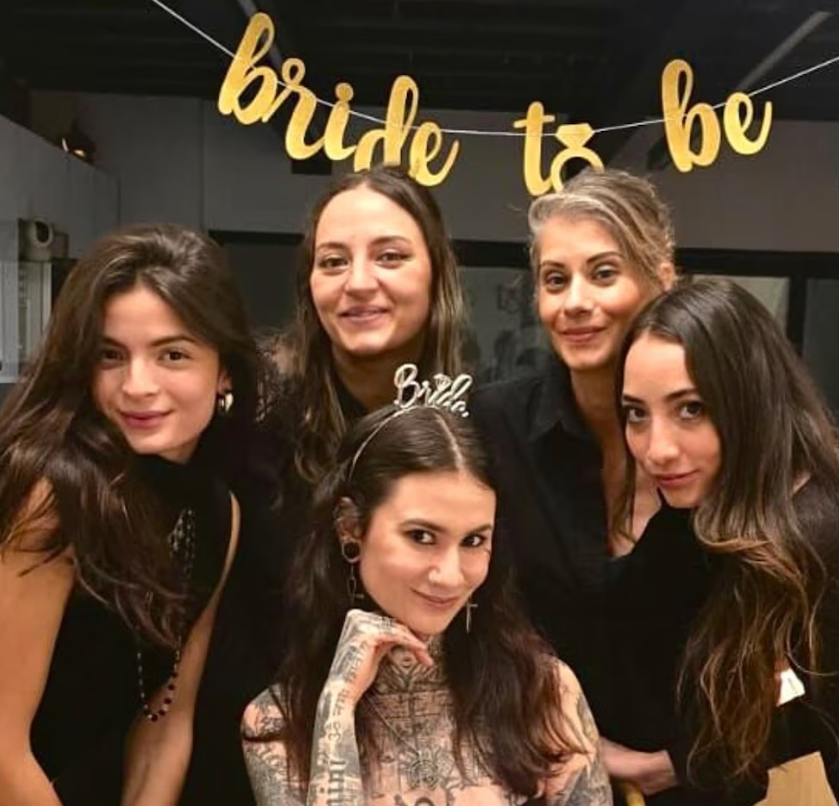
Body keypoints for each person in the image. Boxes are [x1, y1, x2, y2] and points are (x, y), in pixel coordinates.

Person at [184, 164, 468, 806]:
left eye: (390, 256)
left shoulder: (471, 432)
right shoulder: (247, 424)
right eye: (333, 261)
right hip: (249, 760)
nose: (358, 282)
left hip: (419, 774)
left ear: (437, 273)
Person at [241, 376, 613, 806]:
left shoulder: (543, 692)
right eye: (421, 536)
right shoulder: (278, 722)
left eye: (474, 540)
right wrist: (338, 705)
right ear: (350, 526)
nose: (450, 575)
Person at [0, 223, 259, 805]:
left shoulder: (218, 514)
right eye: (111, 355)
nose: (137, 385)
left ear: (224, 370)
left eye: (173, 354)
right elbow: (1, 746)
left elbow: (166, 719)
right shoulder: (51, 492)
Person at [469, 169, 677, 801]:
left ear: (662, 279)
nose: (575, 302)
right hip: (542, 776)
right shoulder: (496, 424)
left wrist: (682, 761)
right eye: (555, 280)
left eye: (604, 273)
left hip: (717, 781)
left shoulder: (722, 429)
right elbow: (475, 619)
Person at [615, 278, 839, 805]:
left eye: (691, 408)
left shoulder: (815, 537)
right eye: (637, 413)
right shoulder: (703, 514)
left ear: (750, 399)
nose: (656, 449)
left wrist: (658, 766)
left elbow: (792, 726)